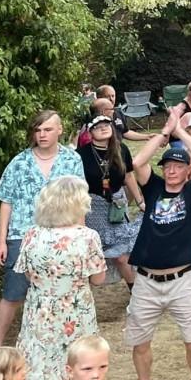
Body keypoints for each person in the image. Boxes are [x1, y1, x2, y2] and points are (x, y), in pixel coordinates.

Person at [123, 110, 191, 380]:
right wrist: (164, 134)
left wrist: (181, 132)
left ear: (188, 168)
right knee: (140, 340)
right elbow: (137, 163)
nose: (173, 170)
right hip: (148, 280)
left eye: (179, 165)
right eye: (168, 165)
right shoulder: (153, 189)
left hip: (182, 280)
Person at [0, 110, 85, 347]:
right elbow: (6, 201)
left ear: (60, 130)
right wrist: (1, 242)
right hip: (20, 237)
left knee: (57, 293)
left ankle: (54, 343)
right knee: (12, 295)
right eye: (38, 130)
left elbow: (79, 200)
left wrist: (81, 238)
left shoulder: (72, 160)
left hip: (60, 237)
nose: (42, 135)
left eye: (47, 129)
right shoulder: (19, 162)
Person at [14, 177, 107, 380]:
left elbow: (28, 274)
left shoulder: (32, 233)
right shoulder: (87, 237)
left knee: (40, 357)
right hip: (74, 313)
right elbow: (98, 279)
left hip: (38, 311)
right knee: (77, 356)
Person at [77, 114, 142, 287]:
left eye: (107, 124)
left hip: (117, 204)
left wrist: (139, 200)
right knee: (94, 252)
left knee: (122, 255)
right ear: (90, 133)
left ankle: (134, 291)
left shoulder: (121, 149)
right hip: (92, 207)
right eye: (98, 126)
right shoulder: (81, 155)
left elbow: (128, 175)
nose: (104, 127)